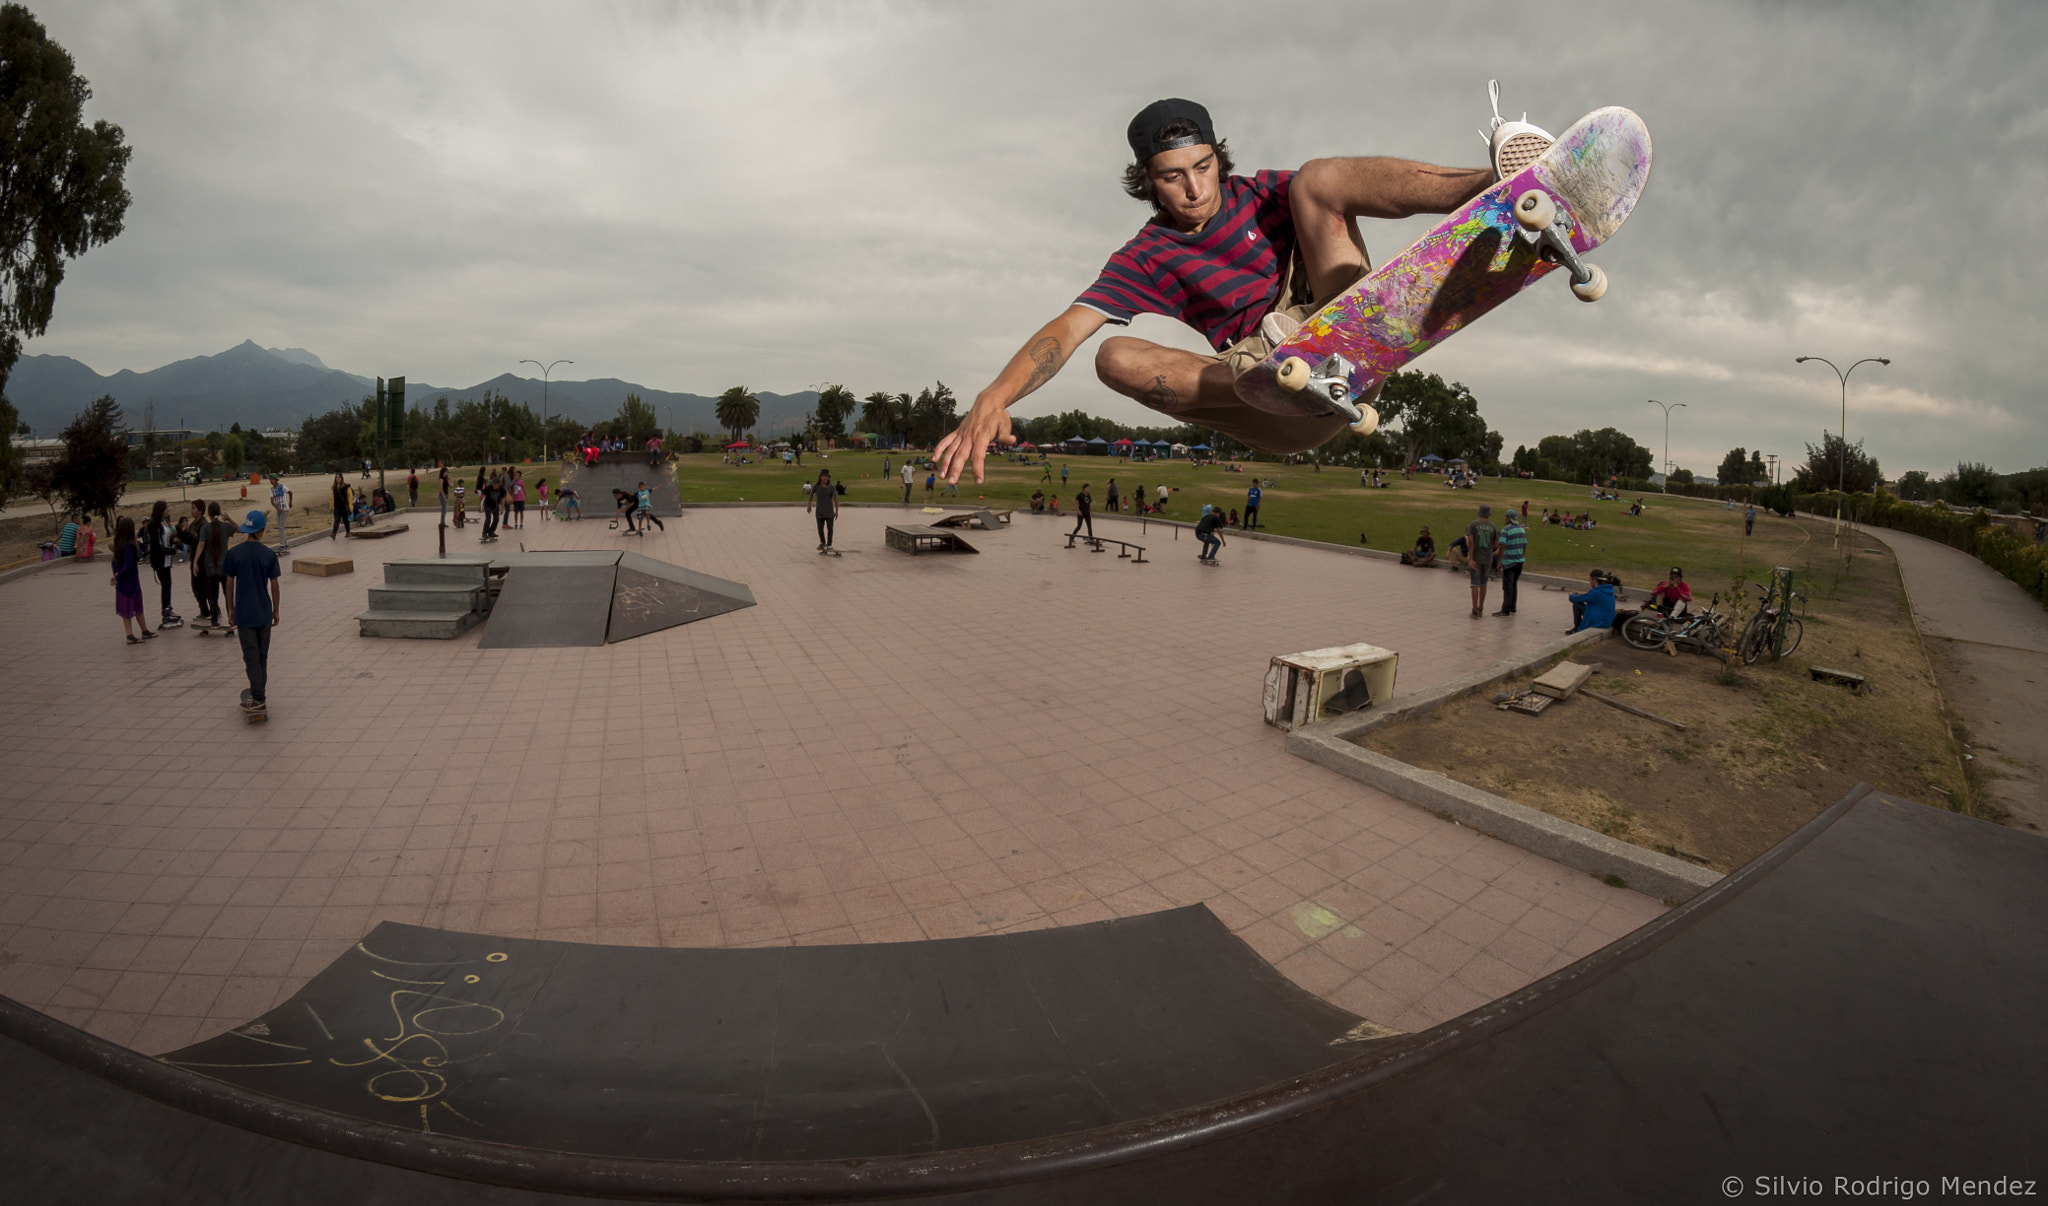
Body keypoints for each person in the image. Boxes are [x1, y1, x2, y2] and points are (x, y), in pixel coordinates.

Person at [933, 92, 1540, 483]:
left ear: (1218, 159)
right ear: (1148, 184)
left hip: (1336, 325)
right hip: (1269, 397)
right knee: (1111, 356)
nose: (1196, 190)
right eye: (1174, 178)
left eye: (1204, 168)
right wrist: (997, 394)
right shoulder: (1149, 255)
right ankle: (1278, 363)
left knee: (1318, 179)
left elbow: (1345, 190)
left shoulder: (1263, 194)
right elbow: (1067, 329)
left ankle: (1504, 182)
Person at [220, 510, 282, 719]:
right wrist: (275, 610)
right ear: (262, 530)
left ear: (248, 529)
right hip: (264, 612)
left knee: (251, 658)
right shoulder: (268, 554)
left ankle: (258, 700)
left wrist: (230, 608)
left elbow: (229, 583)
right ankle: (259, 695)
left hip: (244, 614)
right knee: (262, 657)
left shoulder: (234, 553)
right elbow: (274, 585)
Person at [109, 517, 155, 644]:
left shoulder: (118, 544)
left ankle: (132, 634)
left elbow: (114, 563)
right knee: (137, 606)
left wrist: (116, 576)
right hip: (131, 582)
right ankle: (141, 632)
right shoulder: (130, 546)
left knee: (126, 609)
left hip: (122, 583)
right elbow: (128, 565)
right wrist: (118, 576)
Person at [142, 500, 181, 629]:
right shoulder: (154, 525)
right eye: (166, 508)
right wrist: (171, 551)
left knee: (168, 584)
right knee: (165, 585)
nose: (168, 510)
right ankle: (165, 612)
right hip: (160, 560)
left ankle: (168, 608)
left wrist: (173, 541)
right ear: (160, 510)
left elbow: (166, 538)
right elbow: (156, 545)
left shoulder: (163, 523)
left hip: (167, 560)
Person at [1463, 504, 1498, 617]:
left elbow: (1471, 542)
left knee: (1474, 584)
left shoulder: (1473, 524)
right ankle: (1481, 609)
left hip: (1476, 557)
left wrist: (1471, 558)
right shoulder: (1493, 526)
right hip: (1487, 558)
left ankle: (1474, 610)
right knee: (1483, 583)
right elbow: (1496, 544)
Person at [1493, 509, 1527, 617]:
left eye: (1505, 516)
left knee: (1507, 586)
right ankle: (1513, 607)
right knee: (1514, 585)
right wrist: (1522, 555)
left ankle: (1505, 610)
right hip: (1519, 561)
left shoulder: (1506, 530)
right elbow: (1524, 544)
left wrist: (1499, 561)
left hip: (1509, 562)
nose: (1504, 519)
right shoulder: (1522, 529)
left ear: (1508, 518)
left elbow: (1502, 546)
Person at [1569, 570, 1619, 634]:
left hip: (1599, 622)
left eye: (1590, 579)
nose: (1590, 582)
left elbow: (1576, 599)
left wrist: (1571, 595)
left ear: (1594, 579)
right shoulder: (1607, 590)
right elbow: (1589, 596)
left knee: (1577, 605)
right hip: (1607, 621)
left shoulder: (1596, 592)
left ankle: (1577, 628)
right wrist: (1580, 594)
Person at [807, 469, 839, 552]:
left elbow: (835, 499)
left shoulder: (831, 487)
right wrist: (809, 505)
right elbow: (811, 495)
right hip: (820, 511)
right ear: (820, 477)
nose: (825, 478)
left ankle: (829, 544)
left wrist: (837, 511)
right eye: (823, 476)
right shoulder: (816, 486)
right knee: (820, 528)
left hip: (829, 512)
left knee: (830, 528)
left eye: (826, 476)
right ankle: (823, 542)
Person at [480, 473, 505, 541]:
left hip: (495, 505)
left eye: (496, 484)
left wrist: (502, 508)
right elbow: (482, 494)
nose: (494, 486)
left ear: (498, 484)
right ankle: (484, 533)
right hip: (487, 505)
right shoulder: (488, 487)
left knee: (496, 519)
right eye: (493, 484)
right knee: (488, 519)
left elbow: (503, 498)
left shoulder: (502, 488)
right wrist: (479, 505)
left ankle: (491, 531)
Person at [328, 471, 352, 539]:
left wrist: (350, 507)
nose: (338, 479)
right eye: (336, 477)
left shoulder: (346, 487)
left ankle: (348, 532)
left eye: (339, 477)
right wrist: (331, 506)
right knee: (337, 520)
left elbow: (350, 498)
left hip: (344, 507)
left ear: (342, 478)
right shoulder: (334, 487)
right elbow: (332, 498)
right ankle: (334, 533)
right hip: (337, 507)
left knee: (345, 520)